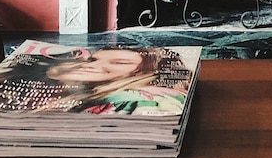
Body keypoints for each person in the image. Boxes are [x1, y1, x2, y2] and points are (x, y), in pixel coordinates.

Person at [46, 47, 191, 115]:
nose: (91, 66)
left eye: (119, 63)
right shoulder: (89, 97)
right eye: (92, 60)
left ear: (147, 72)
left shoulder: (128, 101)